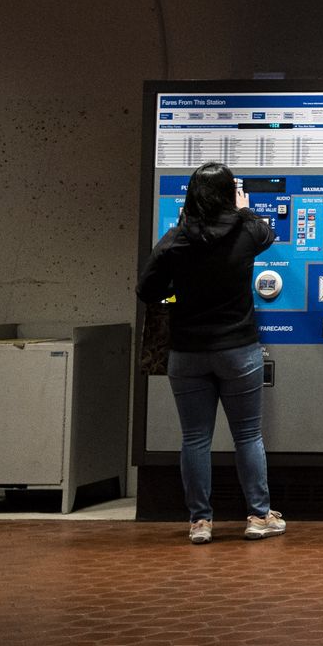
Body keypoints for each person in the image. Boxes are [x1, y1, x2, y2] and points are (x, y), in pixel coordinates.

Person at [136, 162, 286, 545]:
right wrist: (242, 208)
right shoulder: (246, 231)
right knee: (248, 435)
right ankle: (258, 515)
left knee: (195, 439)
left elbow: (146, 290)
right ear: (228, 195)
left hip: (187, 352)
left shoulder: (176, 239)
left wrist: (176, 291)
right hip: (238, 350)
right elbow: (269, 233)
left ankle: (200, 522)